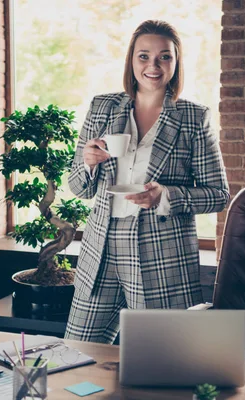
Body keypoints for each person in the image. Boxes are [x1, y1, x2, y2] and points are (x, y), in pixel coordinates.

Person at [65, 20, 229, 344]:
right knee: (78, 352)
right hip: (100, 249)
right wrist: (87, 163)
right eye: (143, 56)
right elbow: (78, 187)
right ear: (131, 60)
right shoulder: (102, 107)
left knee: (161, 360)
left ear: (176, 62)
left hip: (162, 254)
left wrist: (165, 196)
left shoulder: (194, 118)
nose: (152, 66)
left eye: (164, 57)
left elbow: (219, 195)